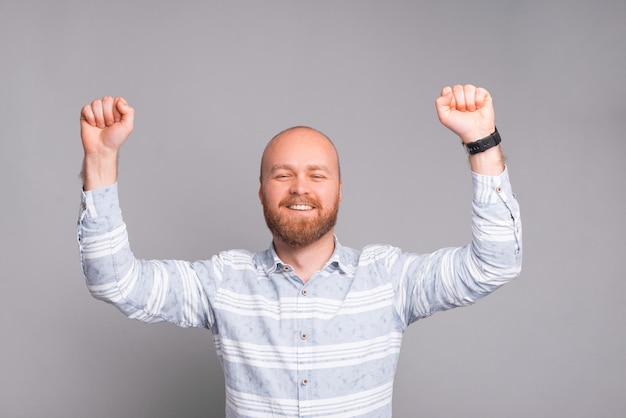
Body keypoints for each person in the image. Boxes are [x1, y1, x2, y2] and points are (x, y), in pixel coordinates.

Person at [77, 84, 522, 417]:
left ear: (340, 190)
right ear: (261, 191)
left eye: (317, 174)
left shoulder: (389, 279)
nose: (300, 188)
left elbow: (494, 264)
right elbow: (116, 282)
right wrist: (100, 160)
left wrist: (482, 142)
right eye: (283, 175)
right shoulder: (223, 282)